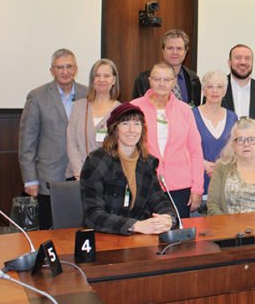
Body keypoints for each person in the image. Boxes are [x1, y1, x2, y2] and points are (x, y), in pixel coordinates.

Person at [80, 103, 178, 235]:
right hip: (104, 235)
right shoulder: (97, 161)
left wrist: (168, 218)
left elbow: (159, 199)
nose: (132, 130)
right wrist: (134, 225)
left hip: (137, 237)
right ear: (115, 129)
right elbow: (93, 215)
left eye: (137, 124)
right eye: (125, 124)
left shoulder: (147, 162)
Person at [19, 48, 88, 229]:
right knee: (50, 231)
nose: (64, 72)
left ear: (75, 69)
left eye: (68, 67)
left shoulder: (88, 94)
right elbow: (27, 141)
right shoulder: (37, 96)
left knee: (79, 229)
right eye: (59, 67)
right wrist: (30, 179)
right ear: (52, 71)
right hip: (49, 176)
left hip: (80, 173)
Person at [131, 62, 204, 218]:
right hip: (144, 184)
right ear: (150, 81)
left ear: (174, 82)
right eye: (157, 79)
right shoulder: (134, 108)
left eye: (167, 79)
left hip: (179, 185)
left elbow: (195, 151)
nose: (162, 84)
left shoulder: (185, 110)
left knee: (177, 234)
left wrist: (197, 189)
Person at [67, 59, 121, 179]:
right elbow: (71, 142)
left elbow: (119, 148)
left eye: (106, 76)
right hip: (78, 176)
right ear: (92, 80)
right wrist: (79, 172)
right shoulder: (78, 107)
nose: (101, 80)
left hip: (108, 177)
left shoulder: (120, 111)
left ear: (114, 80)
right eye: (97, 76)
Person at [192, 70, 238, 212]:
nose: (214, 91)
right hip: (199, 187)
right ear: (204, 90)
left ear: (224, 91)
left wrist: (221, 166)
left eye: (219, 87)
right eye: (210, 86)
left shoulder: (232, 117)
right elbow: (184, 150)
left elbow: (237, 150)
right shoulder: (191, 115)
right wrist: (204, 164)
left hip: (225, 186)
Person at [221, 44, 255, 155]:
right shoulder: (217, 88)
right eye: (238, 58)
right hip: (224, 156)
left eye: (247, 58)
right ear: (229, 62)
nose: (243, 62)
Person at [132, 29, 201, 106]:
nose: (175, 53)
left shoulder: (194, 80)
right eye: (170, 48)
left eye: (179, 48)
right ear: (163, 51)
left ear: (185, 51)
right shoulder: (143, 80)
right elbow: (136, 114)